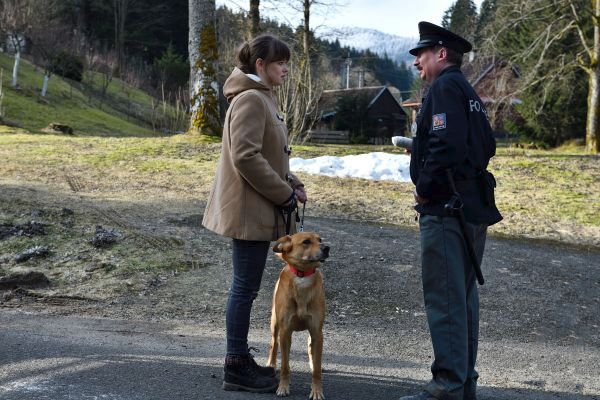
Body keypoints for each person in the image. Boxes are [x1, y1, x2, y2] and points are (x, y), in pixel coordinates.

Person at [400, 22, 503, 400]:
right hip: (470, 204)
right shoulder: (467, 89)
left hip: (447, 210)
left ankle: (446, 386)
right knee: (462, 299)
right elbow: (484, 144)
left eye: (421, 55)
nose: (417, 64)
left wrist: (426, 189)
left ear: (441, 53)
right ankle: (464, 384)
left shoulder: (443, 87)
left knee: (444, 301)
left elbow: (446, 145)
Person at [202, 34, 307, 393]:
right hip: (249, 212)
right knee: (244, 288)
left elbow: (269, 154)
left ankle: (239, 359)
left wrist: (292, 182)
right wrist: (283, 195)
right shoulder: (250, 99)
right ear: (260, 65)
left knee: (245, 288)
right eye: (280, 63)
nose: (286, 69)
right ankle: (235, 365)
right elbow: (245, 156)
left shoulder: (262, 97)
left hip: (258, 207)